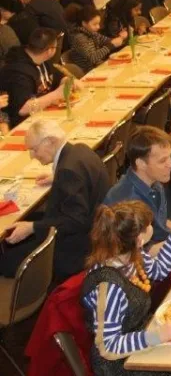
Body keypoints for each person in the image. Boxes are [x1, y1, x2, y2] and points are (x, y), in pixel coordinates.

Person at [80, 201, 171, 374]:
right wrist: (157, 336)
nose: (152, 226)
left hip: (142, 334)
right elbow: (107, 347)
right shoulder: (109, 287)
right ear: (139, 239)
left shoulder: (129, 254)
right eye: (149, 225)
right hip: (122, 363)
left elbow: (159, 270)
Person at [0, 119, 109, 280]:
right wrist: (57, 178)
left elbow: (75, 221)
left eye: (34, 149)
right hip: (96, 230)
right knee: (24, 223)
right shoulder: (79, 150)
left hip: (75, 248)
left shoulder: (68, 171)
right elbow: (81, 180)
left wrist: (32, 228)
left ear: (50, 141)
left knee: (5, 260)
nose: (31, 156)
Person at [0, 27, 67, 127]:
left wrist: (65, 82)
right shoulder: (17, 72)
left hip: (44, 115)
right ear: (50, 51)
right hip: (24, 124)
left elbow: (60, 77)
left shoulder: (42, 59)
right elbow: (22, 109)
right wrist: (56, 95)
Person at [66, 4, 127, 73]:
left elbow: (107, 41)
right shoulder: (79, 38)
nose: (98, 27)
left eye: (98, 23)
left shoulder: (92, 33)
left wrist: (120, 37)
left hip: (98, 66)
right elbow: (93, 58)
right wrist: (111, 45)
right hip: (89, 72)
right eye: (94, 24)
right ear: (84, 23)